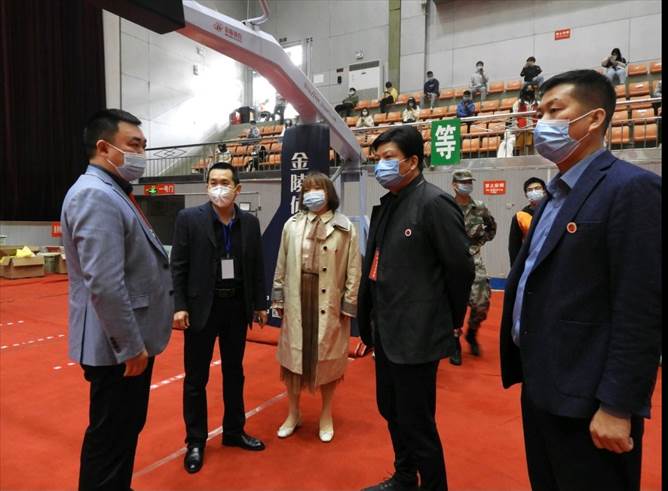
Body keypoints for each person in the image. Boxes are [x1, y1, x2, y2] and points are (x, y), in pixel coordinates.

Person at [500, 69, 661, 491]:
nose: (542, 123)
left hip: (591, 400)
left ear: (594, 119)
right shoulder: (552, 196)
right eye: (539, 113)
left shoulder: (632, 189)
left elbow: (641, 308)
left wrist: (618, 405)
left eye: (555, 110)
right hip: (543, 385)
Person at [61, 109, 173, 490]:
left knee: (122, 431)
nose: (141, 154)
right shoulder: (96, 195)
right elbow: (105, 282)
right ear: (104, 147)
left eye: (144, 145)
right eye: (134, 145)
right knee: (110, 439)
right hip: (118, 347)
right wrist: (130, 346)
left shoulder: (112, 191)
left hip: (123, 342)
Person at [358, 126, 474, 491]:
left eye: (388, 158)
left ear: (412, 161)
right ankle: (405, 477)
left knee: (418, 422)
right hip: (386, 329)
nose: (380, 165)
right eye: (377, 159)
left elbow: (460, 269)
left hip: (417, 334)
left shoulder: (434, 203)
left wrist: (449, 321)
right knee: (391, 410)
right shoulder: (388, 205)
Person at [171, 162, 269, 474]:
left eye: (225, 182)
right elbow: (178, 265)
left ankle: (234, 431)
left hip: (236, 307)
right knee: (196, 379)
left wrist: (260, 304)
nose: (218, 187)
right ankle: (195, 441)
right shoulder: (189, 219)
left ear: (237, 189)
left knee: (234, 373)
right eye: (213, 182)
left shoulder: (250, 223)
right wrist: (179, 305)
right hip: (202, 308)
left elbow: (256, 265)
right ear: (206, 186)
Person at [271, 172, 361, 443]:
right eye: (307, 189)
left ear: (329, 192)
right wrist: (278, 298)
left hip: (329, 302)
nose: (312, 193)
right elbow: (281, 263)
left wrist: (349, 303)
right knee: (293, 361)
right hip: (297, 299)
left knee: (328, 361)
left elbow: (353, 269)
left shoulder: (345, 228)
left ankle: (326, 414)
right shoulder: (292, 225)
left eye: (318, 188)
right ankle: (293, 413)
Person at [449, 170, 496, 365]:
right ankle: (454, 342)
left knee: (481, 303)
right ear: (454, 185)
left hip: (473, 258)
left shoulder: (479, 207)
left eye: (469, 181)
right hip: (450, 259)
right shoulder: (446, 206)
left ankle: (472, 333)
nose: (467, 185)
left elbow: (491, 227)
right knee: (452, 303)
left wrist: (480, 242)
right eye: (463, 182)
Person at [507, 177, 546, 266]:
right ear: (526, 195)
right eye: (530, 190)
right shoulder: (520, 217)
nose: (534, 192)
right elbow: (514, 247)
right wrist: (516, 269)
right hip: (531, 261)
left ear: (544, 191)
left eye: (537, 188)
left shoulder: (553, 211)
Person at [512, 85, 539, 154]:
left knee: (535, 151)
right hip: (522, 129)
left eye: (531, 90)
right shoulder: (518, 103)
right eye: (528, 90)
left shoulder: (538, 103)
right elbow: (514, 117)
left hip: (535, 129)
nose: (529, 92)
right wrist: (516, 129)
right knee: (522, 152)